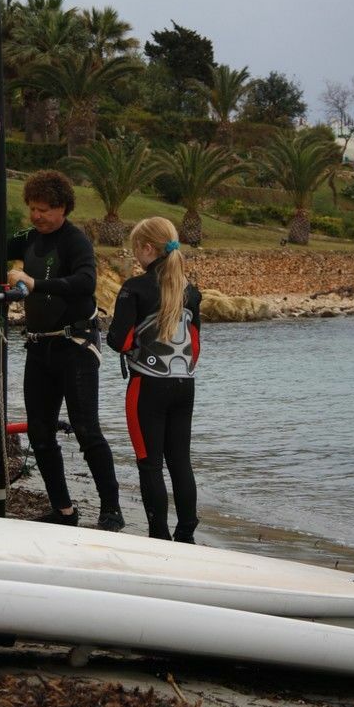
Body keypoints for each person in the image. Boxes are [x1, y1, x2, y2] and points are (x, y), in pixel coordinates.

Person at [7, 169, 125, 532]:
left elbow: (86, 282)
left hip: (75, 346)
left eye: (43, 210)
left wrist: (34, 282)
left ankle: (112, 511)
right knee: (40, 435)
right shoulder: (27, 237)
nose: (37, 216)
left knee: (86, 430)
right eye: (32, 209)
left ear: (62, 208)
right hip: (39, 347)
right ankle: (64, 511)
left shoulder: (76, 241)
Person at [107, 217, 201, 543]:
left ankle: (158, 536)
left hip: (146, 386)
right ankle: (186, 534)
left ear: (148, 249)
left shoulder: (135, 288)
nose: (135, 256)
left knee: (150, 465)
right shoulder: (191, 291)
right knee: (180, 463)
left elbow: (119, 341)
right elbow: (195, 344)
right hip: (184, 386)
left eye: (136, 250)